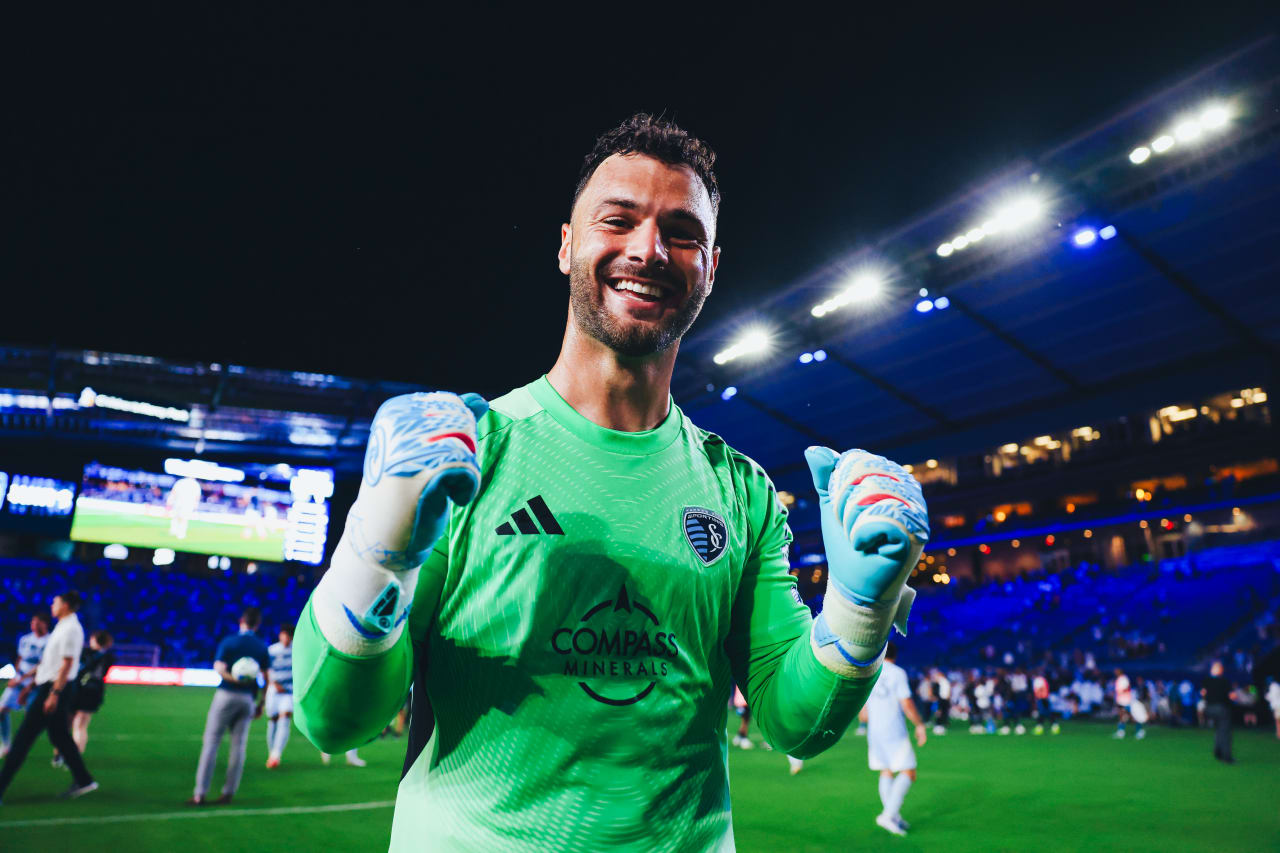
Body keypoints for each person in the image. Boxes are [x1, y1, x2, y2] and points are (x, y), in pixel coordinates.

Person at [292, 114, 930, 852]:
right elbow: (335, 720)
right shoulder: (466, 457)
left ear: (711, 267)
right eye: (618, 220)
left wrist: (860, 609)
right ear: (567, 245)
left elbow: (795, 722)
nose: (649, 249)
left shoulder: (742, 492)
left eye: (682, 233)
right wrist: (374, 555)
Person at [0, 592, 97, 804]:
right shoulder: (62, 627)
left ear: (66, 605)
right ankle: (84, 780)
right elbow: (49, 663)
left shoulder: (71, 629)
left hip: (55, 689)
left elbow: (66, 664)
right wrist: (30, 685)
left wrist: (54, 693)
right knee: (60, 737)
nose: (52, 605)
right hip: (50, 686)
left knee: (24, 738)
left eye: (56, 602)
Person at [188, 606, 270, 805]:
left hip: (226, 695)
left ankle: (200, 794)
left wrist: (233, 679)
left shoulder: (230, 641)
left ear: (241, 621)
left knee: (211, 743)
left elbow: (219, 668)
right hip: (247, 699)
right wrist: (261, 703)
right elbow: (267, 678)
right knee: (238, 747)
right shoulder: (261, 647)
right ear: (257, 624)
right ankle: (228, 793)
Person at [858, 643, 927, 836]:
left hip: (874, 731)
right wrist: (919, 725)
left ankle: (892, 815)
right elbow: (906, 702)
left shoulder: (869, 673)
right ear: (895, 656)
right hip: (893, 729)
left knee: (886, 771)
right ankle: (888, 815)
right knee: (909, 771)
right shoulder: (897, 673)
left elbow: (863, 714)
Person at [0, 612, 50, 758]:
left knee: (32, 719)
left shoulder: (50, 641)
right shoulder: (25, 639)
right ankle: (6, 745)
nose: (33, 625)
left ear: (44, 624)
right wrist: (16, 676)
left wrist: (23, 679)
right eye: (32, 622)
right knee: (2, 710)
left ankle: (25, 747)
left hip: (36, 684)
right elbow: (20, 659)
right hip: (19, 681)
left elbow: (42, 664)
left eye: (37, 622)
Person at [61, 631, 115, 764]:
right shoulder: (108, 657)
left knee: (71, 723)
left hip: (78, 690)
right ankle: (75, 757)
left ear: (95, 640)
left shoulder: (85, 653)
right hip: (95, 691)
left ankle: (66, 755)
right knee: (81, 725)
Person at [265, 623, 294, 769]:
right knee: (273, 720)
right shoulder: (272, 650)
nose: (286, 638)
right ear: (280, 635)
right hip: (274, 691)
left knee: (285, 718)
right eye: (284, 635)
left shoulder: (297, 650)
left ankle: (276, 754)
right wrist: (273, 682)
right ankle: (272, 752)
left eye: (289, 636)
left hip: (289, 692)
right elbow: (266, 669)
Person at [1201, 660, 1237, 763]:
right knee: (1225, 732)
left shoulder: (1206, 680)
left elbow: (1203, 693)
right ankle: (1226, 756)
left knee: (1218, 730)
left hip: (1209, 708)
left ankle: (1218, 752)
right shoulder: (1224, 681)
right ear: (1221, 670)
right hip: (1221, 709)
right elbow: (1232, 696)